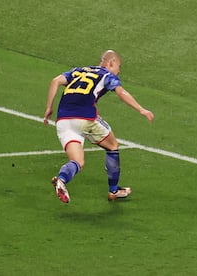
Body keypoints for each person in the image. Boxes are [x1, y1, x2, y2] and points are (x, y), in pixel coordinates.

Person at [44, 50, 154, 203]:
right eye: (118, 66)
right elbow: (121, 93)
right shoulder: (106, 75)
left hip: (62, 120)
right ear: (111, 63)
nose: (119, 70)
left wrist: (49, 108)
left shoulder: (78, 70)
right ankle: (113, 191)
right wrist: (142, 109)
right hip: (84, 118)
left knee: (78, 162)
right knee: (113, 146)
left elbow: (55, 81)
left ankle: (61, 180)